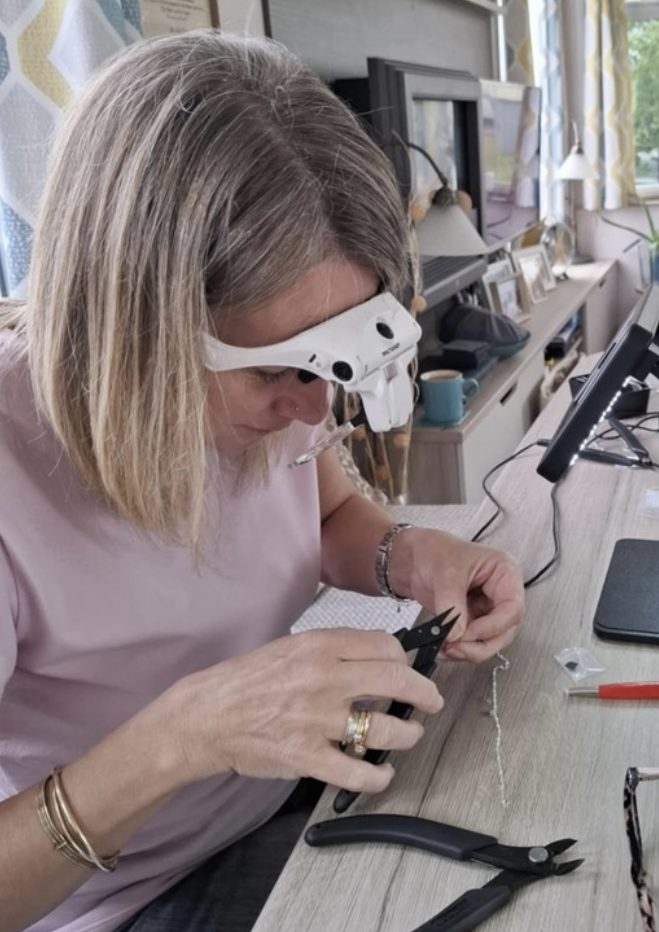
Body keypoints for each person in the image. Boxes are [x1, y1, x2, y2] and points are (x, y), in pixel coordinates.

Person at [0, 31, 525, 932]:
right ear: (134, 326)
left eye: (335, 365)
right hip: (128, 897)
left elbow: (325, 513)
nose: (315, 412)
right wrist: (184, 735)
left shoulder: (271, 401)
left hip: (278, 801)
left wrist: (411, 556)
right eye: (278, 374)